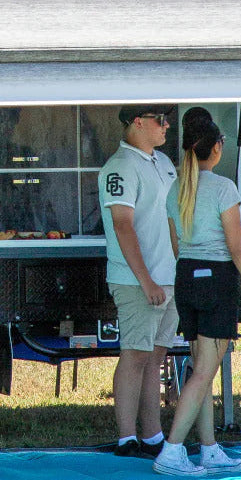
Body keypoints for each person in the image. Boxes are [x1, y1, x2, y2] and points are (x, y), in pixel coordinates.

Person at [152, 108, 241, 477]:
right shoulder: (224, 188)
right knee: (204, 371)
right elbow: (237, 249)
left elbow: (176, 246)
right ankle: (172, 451)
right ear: (217, 147)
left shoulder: (177, 188)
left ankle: (208, 449)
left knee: (200, 369)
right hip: (216, 281)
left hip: (186, 278)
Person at [98, 105, 178, 458]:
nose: (166, 126)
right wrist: (146, 281)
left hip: (169, 276)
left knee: (155, 357)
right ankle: (126, 437)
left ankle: (152, 435)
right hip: (138, 281)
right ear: (137, 122)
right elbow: (123, 225)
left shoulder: (163, 162)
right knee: (135, 355)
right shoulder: (120, 167)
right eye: (160, 120)